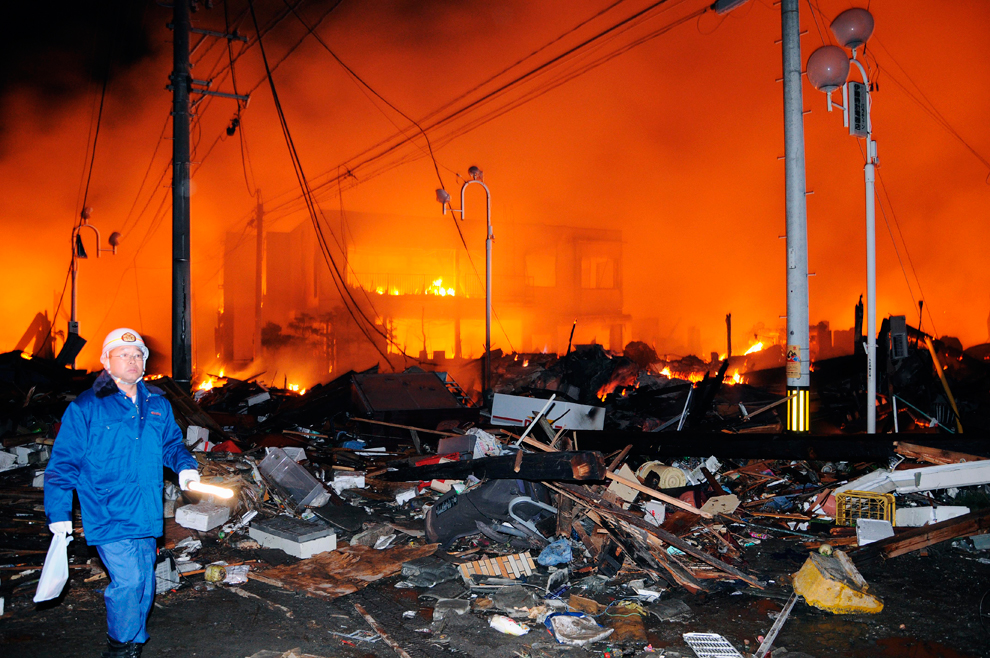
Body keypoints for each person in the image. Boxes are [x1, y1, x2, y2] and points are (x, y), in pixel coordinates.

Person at [44, 328, 200, 658]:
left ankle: (132, 640)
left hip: (145, 510)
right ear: (105, 360)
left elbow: (172, 444)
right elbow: (63, 464)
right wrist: (58, 513)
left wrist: (184, 466)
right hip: (107, 510)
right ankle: (120, 647)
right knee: (128, 582)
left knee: (144, 584)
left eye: (138, 355)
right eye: (124, 355)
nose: (133, 360)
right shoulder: (87, 408)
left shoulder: (157, 403)